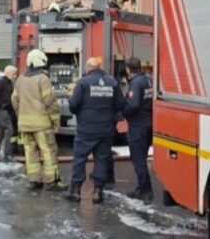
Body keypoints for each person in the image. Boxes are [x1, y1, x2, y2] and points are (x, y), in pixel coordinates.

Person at [66, 57, 124, 204]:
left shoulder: (83, 82)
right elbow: (121, 104)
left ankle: (76, 191)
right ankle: (98, 191)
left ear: (87, 68)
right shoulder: (112, 82)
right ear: (99, 67)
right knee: (102, 159)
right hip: (106, 129)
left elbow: (73, 106)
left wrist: (70, 97)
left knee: (80, 159)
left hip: (86, 129)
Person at [11, 50, 67, 191]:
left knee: (30, 153)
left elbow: (14, 99)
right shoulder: (42, 79)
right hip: (41, 124)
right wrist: (55, 120)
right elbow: (49, 102)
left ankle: (34, 181)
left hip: (24, 125)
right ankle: (52, 181)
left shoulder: (20, 79)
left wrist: (21, 115)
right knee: (48, 151)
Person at [122, 56, 154, 201]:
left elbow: (133, 104)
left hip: (138, 126)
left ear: (128, 69)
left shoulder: (135, 83)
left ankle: (144, 188)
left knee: (138, 158)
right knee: (142, 155)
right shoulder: (148, 80)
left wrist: (123, 112)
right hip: (149, 123)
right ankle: (145, 187)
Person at [0, 65, 18, 162]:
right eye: (13, 74)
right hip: (0, 110)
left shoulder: (8, 83)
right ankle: (7, 155)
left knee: (1, 132)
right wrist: (1, 105)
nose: (15, 76)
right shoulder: (1, 83)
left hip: (4, 110)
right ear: (8, 73)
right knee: (10, 129)